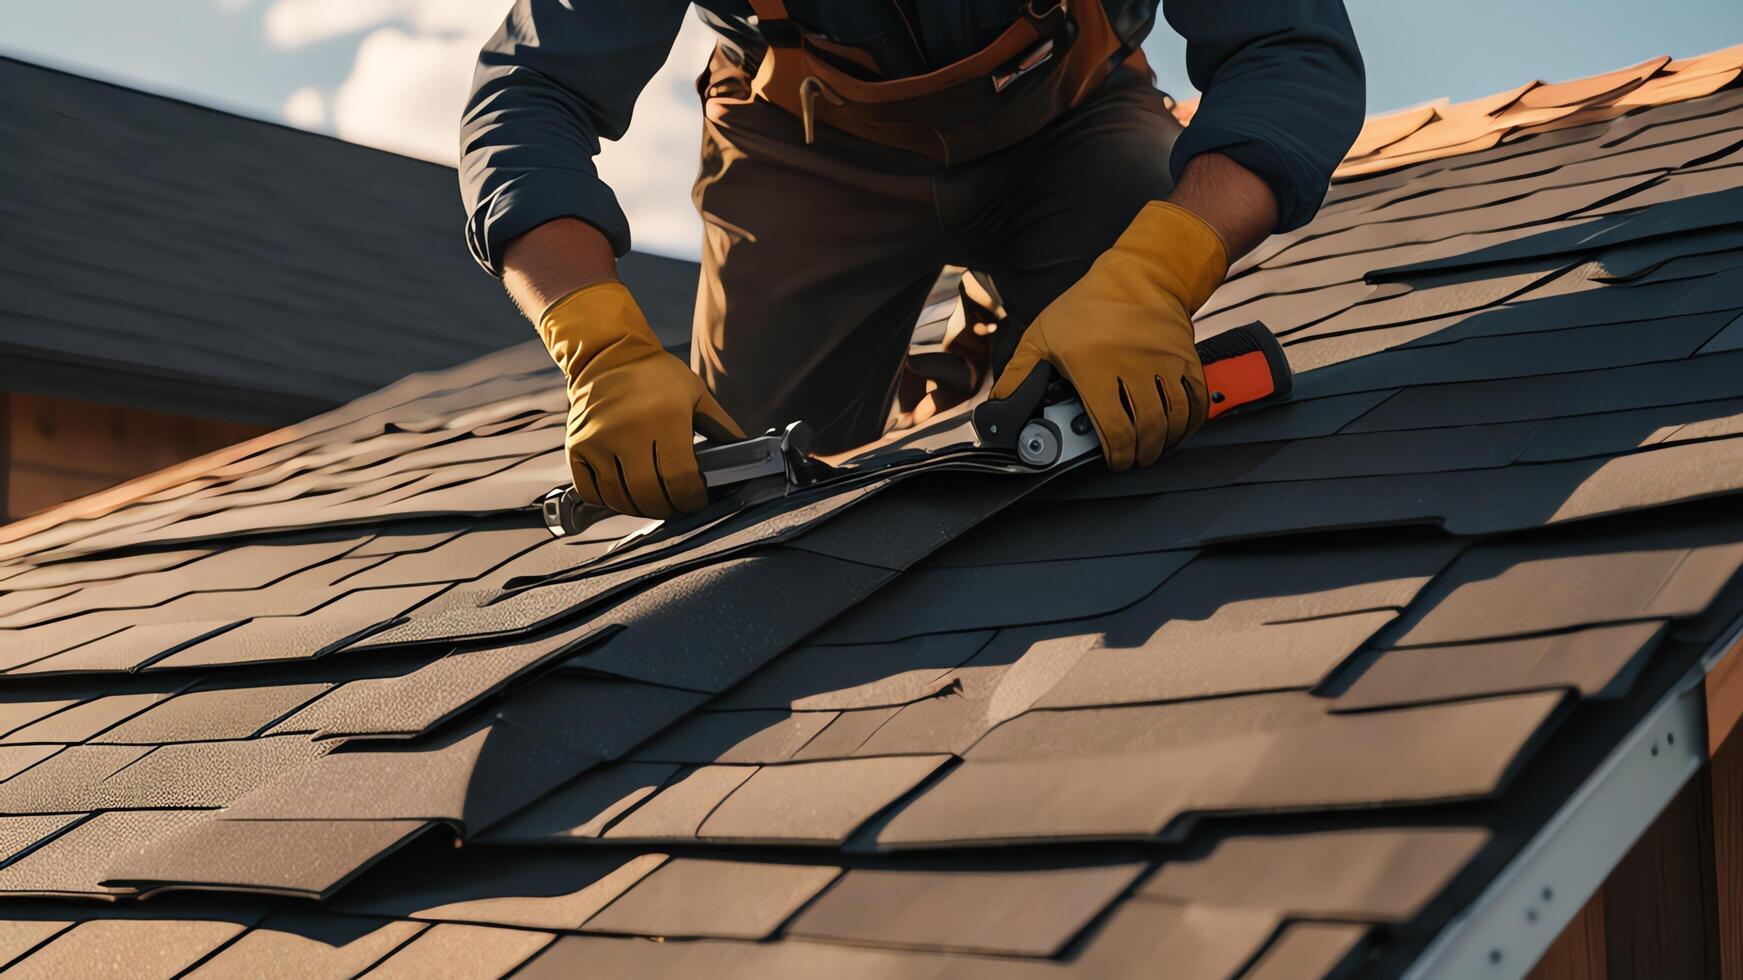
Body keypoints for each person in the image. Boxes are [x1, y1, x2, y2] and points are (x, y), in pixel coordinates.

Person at [460, 0, 1364, 518]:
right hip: (805, 149)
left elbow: (1286, 45)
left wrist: (1156, 276)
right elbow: (528, 93)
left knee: (1129, 419)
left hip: (1070, 120)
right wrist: (600, 346)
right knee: (749, 495)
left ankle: (1023, 297)